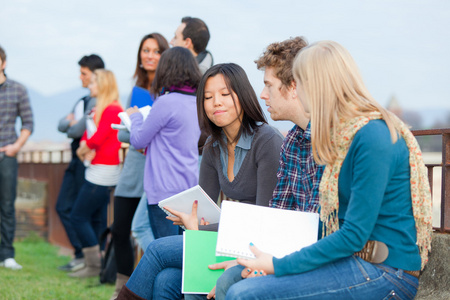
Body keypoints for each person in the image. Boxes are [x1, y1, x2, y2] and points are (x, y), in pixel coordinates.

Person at [224, 41, 433, 300]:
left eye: (299, 81)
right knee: (239, 287)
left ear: (316, 84)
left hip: (387, 272)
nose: (296, 91)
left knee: (244, 295)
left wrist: (277, 265)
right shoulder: (340, 136)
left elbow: (353, 235)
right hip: (354, 263)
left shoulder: (372, 135)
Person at [116, 63, 284, 300]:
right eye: (207, 97)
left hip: (256, 247)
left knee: (156, 250)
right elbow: (205, 207)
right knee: (166, 280)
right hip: (223, 237)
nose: (216, 102)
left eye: (225, 94)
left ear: (243, 95)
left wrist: (206, 228)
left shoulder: (267, 141)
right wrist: (191, 220)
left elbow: (263, 216)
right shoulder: (213, 147)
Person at [207, 36, 325, 300]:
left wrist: (270, 265)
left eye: (268, 85)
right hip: (286, 251)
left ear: (293, 87)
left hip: (314, 258)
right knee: (225, 277)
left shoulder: (327, 140)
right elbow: (279, 212)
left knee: (237, 289)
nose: (262, 94)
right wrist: (254, 260)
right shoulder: (292, 141)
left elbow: (324, 229)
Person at [110, 33, 169, 299]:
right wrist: (137, 129)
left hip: (157, 170)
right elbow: (124, 133)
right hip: (134, 168)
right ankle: (120, 287)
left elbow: (150, 132)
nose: (149, 55)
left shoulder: (169, 90)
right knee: (120, 229)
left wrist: (138, 128)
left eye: (156, 51)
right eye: (145, 50)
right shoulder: (136, 89)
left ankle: (152, 280)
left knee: (149, 230)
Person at [128, 47, 203, 239]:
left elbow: (138, 141)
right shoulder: (197, 103)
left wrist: (135, 118)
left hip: (163, 190)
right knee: (182, 249)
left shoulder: (166, 102)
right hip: (188, 187)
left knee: (164, 250)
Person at [69, 69, 123, 278]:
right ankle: (95, 265)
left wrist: (83, 148)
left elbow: (95, 139)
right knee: (96, 218)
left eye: (93, 83)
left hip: (103, 170)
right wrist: (85, 146)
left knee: (78, 216)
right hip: (97, 168)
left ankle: (93, 266)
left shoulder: (111, 109)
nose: (89, 86)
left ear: (102, 85)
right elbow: (86, 135)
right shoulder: (100, 109)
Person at [56, 54, 104, 272]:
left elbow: (75, 129)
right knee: (69, 208)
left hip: (89, 163)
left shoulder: (97, 101)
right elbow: (62, 124)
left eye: (84, 73)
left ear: (95, 75)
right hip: (77, 160)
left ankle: (87, 258)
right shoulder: (83, 100)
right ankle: (83, 256)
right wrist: (71, 123)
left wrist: (72, 124)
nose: (80, 77)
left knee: (80, 211)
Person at [0, 45, 33, 271]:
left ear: (3, 63)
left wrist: (15, 147)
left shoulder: (18, 90)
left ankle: (7, 254)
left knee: (6, 205)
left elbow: (28, 123)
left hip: (6, 155)